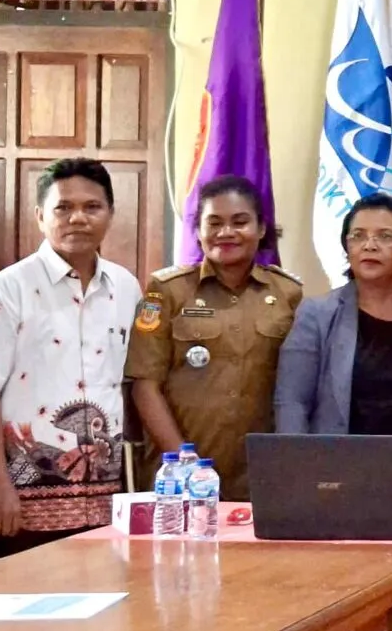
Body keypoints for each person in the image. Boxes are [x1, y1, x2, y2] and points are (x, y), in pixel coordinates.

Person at [0, 158, 141, 557]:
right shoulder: (9, 289)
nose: (77, 218)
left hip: (108, 501)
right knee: (29, 612)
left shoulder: (126, 287)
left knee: (107, 611)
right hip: (26, 500)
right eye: (63, 208)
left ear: (110, 214)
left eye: (92, 207)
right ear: (40, 216)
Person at [126, 175, 302, 501]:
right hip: (178, 474)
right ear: (197, 230)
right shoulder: (165, 291)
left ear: (262, 229)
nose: (226, 233)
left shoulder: (289, 294)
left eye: (240, 222)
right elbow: (144, 385)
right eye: (214, 223)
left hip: (261, 475)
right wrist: (185, 463)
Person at [273, 194, 392, 499]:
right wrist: (297, 473)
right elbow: (292, 402)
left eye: (385, 236)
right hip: (336, 482)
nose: (369, 245)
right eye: (358, 236)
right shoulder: (318, 314)